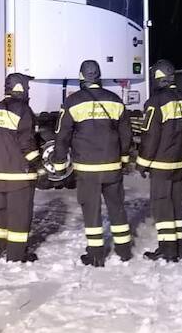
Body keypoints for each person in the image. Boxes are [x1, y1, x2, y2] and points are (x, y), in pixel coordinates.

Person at [52, 60, 133, 267]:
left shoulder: (73, 102)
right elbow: (126, 133)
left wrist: (60, 163)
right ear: (99, 76)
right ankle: (124, 251)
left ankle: (96, 255)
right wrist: (123, 158)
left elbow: (63, 136)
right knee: (117, 208)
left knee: (92, 211)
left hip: (87, 170)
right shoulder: (115, 100)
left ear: (81, 77)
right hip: (112, 167)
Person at [137, 59, 182, 262]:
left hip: (162, 165)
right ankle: (178, 247)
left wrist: (143, 162)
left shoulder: (155, 102)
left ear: (156, 78)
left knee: (162, 206)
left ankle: (168, 250)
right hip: (180, 163)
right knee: (176, 204)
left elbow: (150, 136)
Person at [0, 73, 43, 263]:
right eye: (27, 87)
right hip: (19, 174)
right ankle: (16, 255)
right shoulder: (23, 110)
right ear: (20, 88)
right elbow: (26, 142)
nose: (29, 91)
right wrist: (37, 164)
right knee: (19, 215)